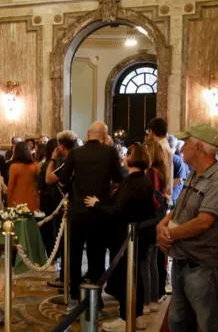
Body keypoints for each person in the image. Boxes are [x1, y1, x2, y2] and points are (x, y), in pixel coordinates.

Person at [156, 124, 218, 332]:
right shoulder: (194, 174)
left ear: (198, 147)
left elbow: (204, 221)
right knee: (179, 323)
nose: (182, 148)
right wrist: (161, 226)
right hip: (181, 263)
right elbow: (179, 207)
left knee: (211, 325)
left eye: (186, 144)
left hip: (203, 268)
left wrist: (168, 235)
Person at [46, 121, 123, 312]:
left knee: (74, 255)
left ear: (88, 133)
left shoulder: (76, 153)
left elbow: (62, 182)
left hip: (78, 211)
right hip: (98, 210)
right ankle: (96, 299)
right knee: (96, 257)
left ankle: (73, 297)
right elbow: (119, 178)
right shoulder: (109, 152)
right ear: (105, 136)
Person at [85, 143, 156, 331]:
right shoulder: (144, 180)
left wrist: (97, 203)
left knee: (125, 278)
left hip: (126, 238)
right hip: (141, 236)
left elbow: (116, 210)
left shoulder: (130, 181)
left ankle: (126, 318)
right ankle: (138, 315)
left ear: (132, 158)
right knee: (137, 277)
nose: (124, 158)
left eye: (127, 155)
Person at [41, 132, 78, 288]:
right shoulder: (78, 158)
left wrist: (53, 158)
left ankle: (65, 279)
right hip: (75, 205)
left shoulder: (67, 162)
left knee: (66, 244)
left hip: (68, 207)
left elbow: (48, 178)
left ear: (61, 146)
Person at [141, 140, 168, 315]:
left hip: (149, 221)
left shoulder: (150, 173)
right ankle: (153, 299)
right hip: (157, 221)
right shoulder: (161, 172)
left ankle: (145, 302)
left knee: (146, 263)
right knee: (152, 263)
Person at [146, 118, 174, 206]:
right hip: (164, 193)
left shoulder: (160, 148)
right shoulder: (165, 146)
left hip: (159, 195)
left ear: (152, 131)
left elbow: (161, 173)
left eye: (148, 131)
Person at [7, 141, 39, 211]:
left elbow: (11, 186)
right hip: (33, 198)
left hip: (18, 199)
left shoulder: (14, 167)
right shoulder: (35, 165)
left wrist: (8, 200)